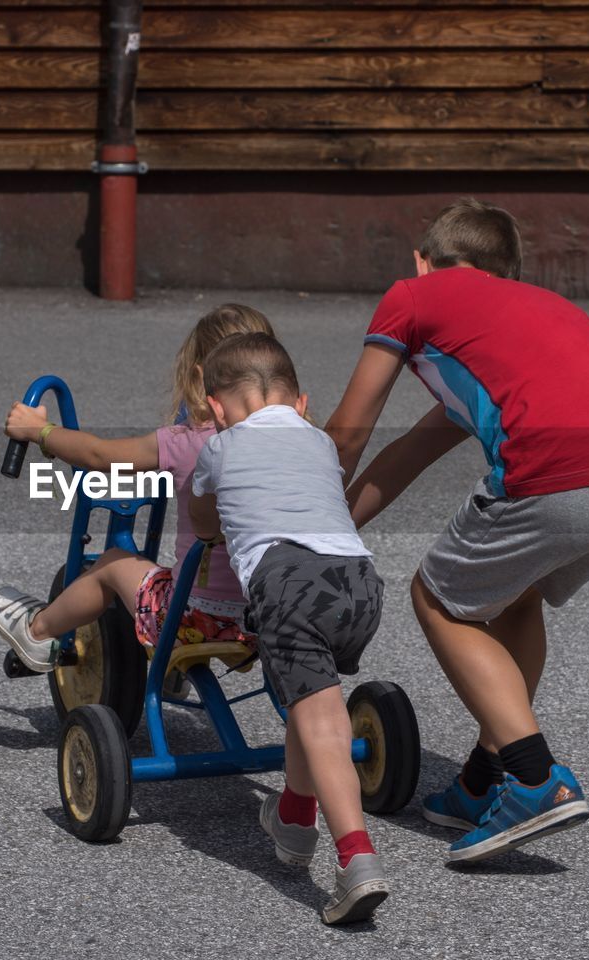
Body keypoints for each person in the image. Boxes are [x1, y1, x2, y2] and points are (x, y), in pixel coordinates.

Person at [325, 198, 589, 863]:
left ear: (422, 262)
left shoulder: (414, 297)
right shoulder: (520, 321)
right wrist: (335, 526)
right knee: (516, 595)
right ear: (504, 272)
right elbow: (407, 455)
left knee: (436, 596)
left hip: (557, 474)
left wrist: (296, 518)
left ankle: (536, 780)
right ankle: (484, 780)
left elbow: (351, 431)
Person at [188, 332, 388, 925]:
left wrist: (213, 528)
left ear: (216, 408)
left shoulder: (219, 449)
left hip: (288, 578)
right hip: (359, 583)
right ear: (301, 402)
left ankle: (357, 858)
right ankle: (296, 817)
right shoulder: (322, 443)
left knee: (322, 717)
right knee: (307, 694)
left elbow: (203, 522)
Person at [0, 304, 271, 673]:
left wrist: (39, 431)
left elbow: (98, 455)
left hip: (195, 621)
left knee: (113, 563)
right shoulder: (291, 440)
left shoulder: (188, 441)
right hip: (267, 618)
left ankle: (37, 631)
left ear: (200, 378)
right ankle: (173, 674)